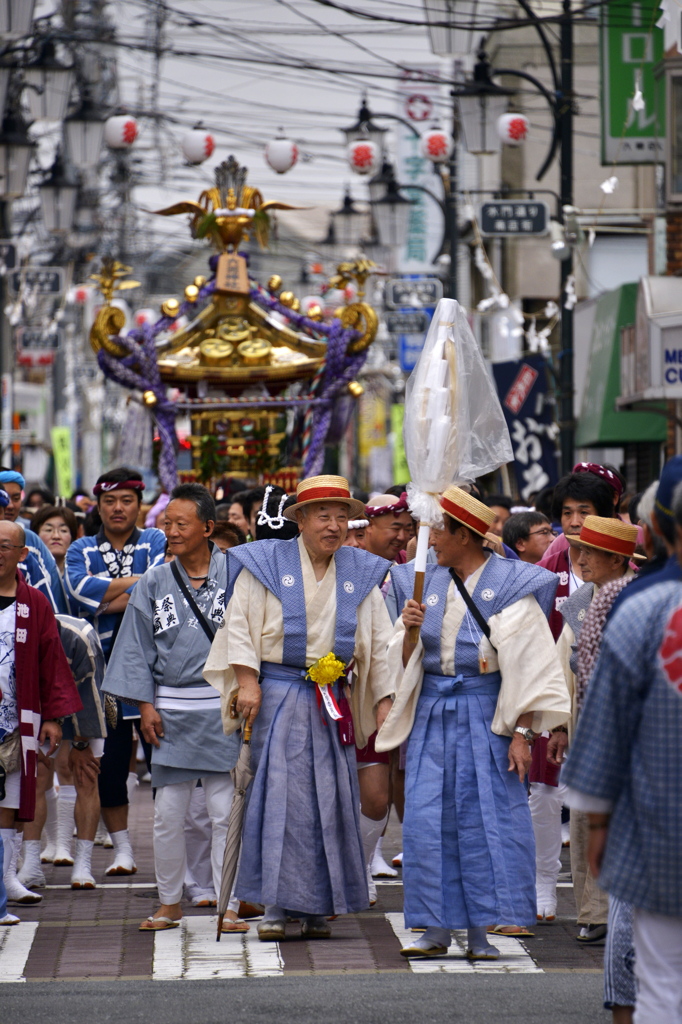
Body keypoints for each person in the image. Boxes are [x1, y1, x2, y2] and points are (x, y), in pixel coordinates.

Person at [378, 486, 570, 960]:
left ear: (465, 534)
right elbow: (403, 664)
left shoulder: (510, 584)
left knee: (486, 821)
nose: (429, 540)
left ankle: (483, 931)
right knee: (426, 821)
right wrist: (409, 631)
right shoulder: (418, 582)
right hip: (431, 712)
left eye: (438, 530)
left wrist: (524, 734)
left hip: (489, 715)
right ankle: (434, 929)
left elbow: (529, 668)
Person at [204, 474, 395, 942]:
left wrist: (386, 700)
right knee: (278, 800)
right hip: (280, 695)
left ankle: (316, 906)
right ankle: (273, 903)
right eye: (323, 515)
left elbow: (380, 641)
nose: (333, 526)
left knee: (331, 801)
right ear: (301, 520)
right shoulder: (265, 563)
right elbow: (240, 627)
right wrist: (246, 681)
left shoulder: (361, 570)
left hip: (333, 699)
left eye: (341, 516)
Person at [561, 486, 682, 1024]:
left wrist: (602, 815)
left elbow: (601, 708)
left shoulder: (634, 605)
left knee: (657, 973)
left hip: (654, 812)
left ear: (655, 530)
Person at [103, 483, 243, 931]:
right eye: (167, 523)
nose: (172, 531)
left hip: (224, 708)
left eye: (182, 524)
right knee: (167, 815)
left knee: (225, 811)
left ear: (207, 527)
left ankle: (229, 904)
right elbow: (135, 649)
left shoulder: (238, 573)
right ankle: (169, 902)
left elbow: (255, 637)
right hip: (171, 710)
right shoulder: (154, 581)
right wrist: (145, 707)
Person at [64, 467, 165, 875]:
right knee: (109, 768)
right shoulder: (81, 548)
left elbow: (161, 587)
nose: (118, 508)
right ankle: (123, 850)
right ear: (98, 506)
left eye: (126, 500)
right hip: (101, 674)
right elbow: (77, 590)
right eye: (110, 501)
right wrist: (139, 585)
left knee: (169, 767)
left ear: (139, 505)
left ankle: (175, 854)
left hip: (158, 670)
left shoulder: (156, 539)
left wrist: (104, 598)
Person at [546, 518, 640, 939]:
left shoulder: (645, 598)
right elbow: (562, 669)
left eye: (589, 552)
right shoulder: (579, 602)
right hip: (588, 717)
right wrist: (561, 727)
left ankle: (637, 910)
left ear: (618, 559)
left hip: (638, 723)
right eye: (576, 549)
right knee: (586, 817)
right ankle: (594, 912)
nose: (578, 559)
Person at [0, 519, 82, 913]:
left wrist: (53, 716)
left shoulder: (34, 601)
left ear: (22, 553)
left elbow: (52, 659)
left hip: (20, 717)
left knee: (12, 799)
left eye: (5, 545)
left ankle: (7, 878)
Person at [359, 492, 414, 888]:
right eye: (394, 527)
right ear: (368, 527)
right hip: (340, 689)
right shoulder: (349, 564)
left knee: (385, 785)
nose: (402, 536)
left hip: (391, 688)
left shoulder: (408, 572)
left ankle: (364, 860)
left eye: (407, 528)